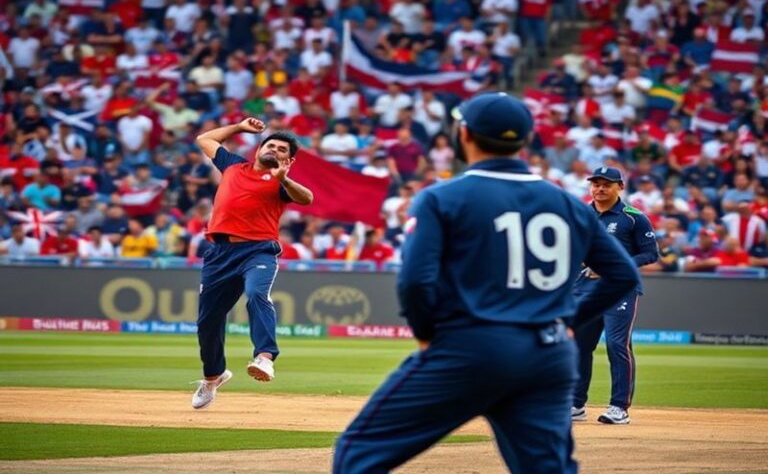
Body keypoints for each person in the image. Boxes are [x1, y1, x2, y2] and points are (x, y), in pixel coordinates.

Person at [333, 93, 641, 473]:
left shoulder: (441, 197)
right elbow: (625, 274)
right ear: (526, 141)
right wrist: (568, 322)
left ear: (464, 134)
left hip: (469, 347)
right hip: (547, 354)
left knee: (358, 454)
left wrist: (428, 333)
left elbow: (414, 282)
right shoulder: (569, 204)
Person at [190, 118, 313, 410]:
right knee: (208, 321)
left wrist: (284, 179)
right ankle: (213, 377)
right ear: (259, 148)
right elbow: (205, 139)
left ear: (288, 159)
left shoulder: (281, 182)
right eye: (271, 144)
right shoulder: (233, 166)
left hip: (258, 251)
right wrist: (239, 127)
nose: (274, 149)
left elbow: (307, 198)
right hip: (219, 253)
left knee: (257, 294)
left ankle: (265, 358)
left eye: (282, 149)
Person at [572, 167, 659, 425]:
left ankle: (619, 407)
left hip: (621, 289)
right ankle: (576, 404)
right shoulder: (580, 214)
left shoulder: (634, 217)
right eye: (595, 184)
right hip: (584, 289)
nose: (599, 188)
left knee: (617, 346)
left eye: (606, 184)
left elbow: (650, 254)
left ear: (620, 186)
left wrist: (614, 266)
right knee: (579, 347)